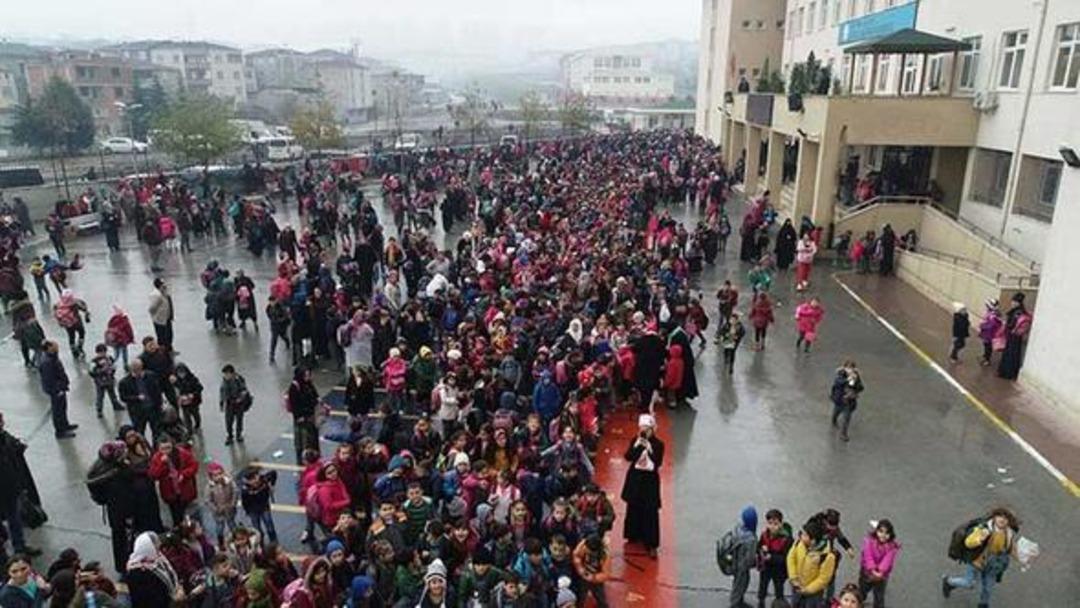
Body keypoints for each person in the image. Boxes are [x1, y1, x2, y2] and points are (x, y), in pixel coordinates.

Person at [942, 507, 1020, 608]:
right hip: (977, 563)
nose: (1002, 519)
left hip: (992, 566)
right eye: (1000, 516)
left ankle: (983, 604)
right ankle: (949, 582)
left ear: (1009, 521)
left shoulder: (1008, 533)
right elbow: (968, 542)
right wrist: (979, 539)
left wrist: (1021, 558)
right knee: (969, 583)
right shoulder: (984, 529)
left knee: (988, 588)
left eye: (1006, 518)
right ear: (994, 517)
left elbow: (1011, 548)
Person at [0, 413, 42, 558]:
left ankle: (19, 547)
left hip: (10, 486)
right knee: (12, 517)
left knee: (14, 517)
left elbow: (14, 451)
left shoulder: (4, 436)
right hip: (6, 486)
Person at [621, 414, 664, 557]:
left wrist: (649, 449)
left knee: (650, 511)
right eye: (642, 428)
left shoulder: (658, 444)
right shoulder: (636, 440)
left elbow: (658, 462)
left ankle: (651, 543)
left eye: (647, 428)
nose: (645, 431)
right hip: (636, 478)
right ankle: (633, 534)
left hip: (649, 480)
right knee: (633, 507)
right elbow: (628, 457)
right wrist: (638, 446)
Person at [147, 434, 199, 526]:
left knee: (189, 515)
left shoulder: (183, 454)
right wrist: (162, 463)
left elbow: (194, 466)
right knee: (176, 516)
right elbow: (154, 475)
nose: (166, 451)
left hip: (185, 490)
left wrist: (184, 474)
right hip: (170, 493)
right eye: (163, 449)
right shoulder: (156, 458)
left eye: (168, 448)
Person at [787, 518, 836, 608]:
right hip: (797, 586)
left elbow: (823, 579)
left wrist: (807, 590)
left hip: (813, 594)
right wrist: (793, 578)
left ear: (813, 540)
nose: (801, 536)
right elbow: (791, 558)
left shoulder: (827, 556)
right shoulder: (798, 543)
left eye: (805, 535)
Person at [125, 532, 183, 606]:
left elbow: (171, 574)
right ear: (148, 548)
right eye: (155, 547)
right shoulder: (137, 573)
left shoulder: (158, 558)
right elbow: (151, 599)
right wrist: (173, 600)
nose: (159, 550)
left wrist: (179, 588)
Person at [118, 359, 166, 441]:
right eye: (134, 370)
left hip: (153, 409)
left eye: (138, 370)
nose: (137, 373)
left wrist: (160, 403)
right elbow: (123, 397)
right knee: (139, 433)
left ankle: (156, 446)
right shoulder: (124, 382)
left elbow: (157, 390)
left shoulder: (151, 376)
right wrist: (136, 398)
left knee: (157, 431)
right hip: (138, 412)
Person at [38, 340, 77, 439]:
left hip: (60, 387)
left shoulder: (52, 357)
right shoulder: (47, 361)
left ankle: (65, 425)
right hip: (56, 390)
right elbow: (49, 379)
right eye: (54, 345)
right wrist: (57, 390)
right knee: (57, 411)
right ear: (49, 348)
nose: (57, 346)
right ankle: (60, 431)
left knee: (62, 407)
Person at [858, 520, 899, 608]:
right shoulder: (869, 541)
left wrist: (880, 571)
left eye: (887, 533)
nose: (883, 535)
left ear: (891, 534)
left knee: (879, 596)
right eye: (881, 531)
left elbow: (887, 560)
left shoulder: (892, 547)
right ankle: (857, 603)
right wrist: (872, 569)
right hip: (867, 572)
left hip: (881, 576)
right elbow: (868, 556)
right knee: (862, 591)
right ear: (876, 531)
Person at [757, 509, 793, 608]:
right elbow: (758, 547)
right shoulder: (764, 535)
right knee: (763, 585)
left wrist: (771, 557)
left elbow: (786, 558)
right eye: (770, 523)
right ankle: (761, 600)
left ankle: (779, 604)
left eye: (775, 524)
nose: (772, 527)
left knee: (779, 588)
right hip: (766, 568)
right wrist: (761, 550)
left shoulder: (787, 539)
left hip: (779, 570)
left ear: (781, 524)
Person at [288, 366, 321, 464]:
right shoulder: (295, 386)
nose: (308, 377)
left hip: (310, 414)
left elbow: (314, 392)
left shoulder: (308, 383)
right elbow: (294, 404)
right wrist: (298, 416)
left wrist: (317, 399)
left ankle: (313, 455)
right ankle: (304, 458)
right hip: (302, 416)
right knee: (303, 439)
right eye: (306, 375)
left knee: (312, 436)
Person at [997, 293, 1032, 380]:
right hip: (1016, 336)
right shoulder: (1020, 312)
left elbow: (1011, 324)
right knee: (1013, 354)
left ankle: (1006, 372)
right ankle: (1010, 372)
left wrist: (1005, 324)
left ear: (1018, 303)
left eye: (1014, 302)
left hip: (1013, 335)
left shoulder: (1017, 313)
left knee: (1010, 354)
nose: (1012, 303)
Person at [728, 506, 758, 608]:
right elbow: (750, 559)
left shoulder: (738, 528)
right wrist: (756, 562)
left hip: (734, 562)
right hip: (742, 566)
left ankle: (738, 600)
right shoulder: (751, 539)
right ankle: (736, 603)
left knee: (736, 583)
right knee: (741, 584)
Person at [829, 360, 864, 442]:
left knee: (847, 418)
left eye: (851, 368)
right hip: (840, 399)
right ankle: (834, 420)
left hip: (849, 401)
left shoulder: (855, 376)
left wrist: (855, 385)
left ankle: (843, 434)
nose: (849, 370)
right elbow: (838, 383)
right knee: (836, 411)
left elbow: (861, 387)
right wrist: (848, 380)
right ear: (844, 367)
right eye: (848, 367)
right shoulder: (840, 374)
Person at [573, 534, 610, 608]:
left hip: (596, 579)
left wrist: (593, 578)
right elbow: (576, 556)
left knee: (601, 599)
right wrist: (580, 569)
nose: (588, 551)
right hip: (584, 575)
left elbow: (606, 574)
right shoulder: (583, 546)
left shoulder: (604, 555)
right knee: (581, 597)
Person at [219, 364, 252, 445]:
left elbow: (244, 390)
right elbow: (222, 393)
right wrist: (221, 403)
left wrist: (240, 398)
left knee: (239, 420)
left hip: (238, 404)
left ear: (232, 373)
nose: (225, 376)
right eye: (224, 374)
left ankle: (239, 435)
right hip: (229, 404)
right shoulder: (224, 382)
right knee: (228, 421)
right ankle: (230, 436)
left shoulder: (238, 380)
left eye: (227, 374)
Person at [89, 344, 123, 417]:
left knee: (112, 394)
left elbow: (114, 366)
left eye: (104, 352)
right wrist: (101, 371)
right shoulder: (94, 361)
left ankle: (116, 405)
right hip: (100, 382)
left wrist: (112, 371)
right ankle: (99, 410)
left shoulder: (109, 358)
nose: (103, 354)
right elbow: (91, 372)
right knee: (100, 396)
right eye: (100, 352)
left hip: (109, 379)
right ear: (97, 352)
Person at [53, 289, 90, 359]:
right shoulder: (74, 303)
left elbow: (55, 313)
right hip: (77, 322)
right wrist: (87, 314)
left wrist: (60, 322)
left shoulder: (58, 304)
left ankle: (73, 351)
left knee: (71, 336)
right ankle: (80, 347)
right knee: (81, 333)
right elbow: (84, 308)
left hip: (67, 324)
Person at [172, 363, 204, 432]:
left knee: (195, 414)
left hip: (194, 402)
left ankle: (197, 425)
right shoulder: (177, 381)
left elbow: (200, 388)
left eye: (183, 372)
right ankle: (189, 430)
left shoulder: (193, 379)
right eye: (179, 373)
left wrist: (193, 394)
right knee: (186, 417)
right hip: (184, 403)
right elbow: (175, 390)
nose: (181, 375)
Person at [148, 278, 175, 353]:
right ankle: (161, 352)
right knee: (161, 337)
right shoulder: (156, 295)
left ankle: (169, 349)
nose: (165, 286)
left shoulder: (165, 293)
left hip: (167, 318)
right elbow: (152, 308)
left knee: (169, 335)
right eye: (163, 284)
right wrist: (155, 317)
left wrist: (171, 315)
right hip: (159, 319)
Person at [978, 299, 1003, 367]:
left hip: (989, 334)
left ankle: (987, 359)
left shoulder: (993, 315)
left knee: (988, 347)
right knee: (986, 345)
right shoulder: (991, 313)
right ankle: (985, 356)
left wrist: (983, 326)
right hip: (987, 333)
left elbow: (991, 325)